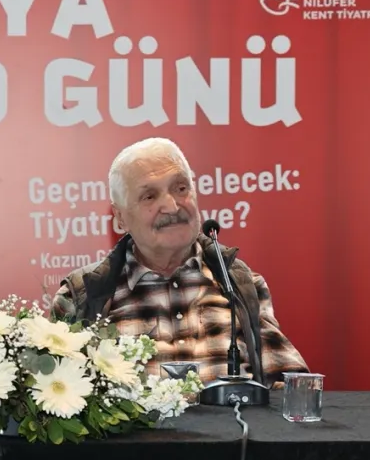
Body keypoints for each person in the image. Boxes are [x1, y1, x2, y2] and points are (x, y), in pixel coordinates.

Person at [50, 137, 308, 383]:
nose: (172, 207)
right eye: (149, 196)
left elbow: (290, 390)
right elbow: (56, 396)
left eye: (181, 188)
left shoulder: (239, 284)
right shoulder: (81, 295)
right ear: (120, 218)